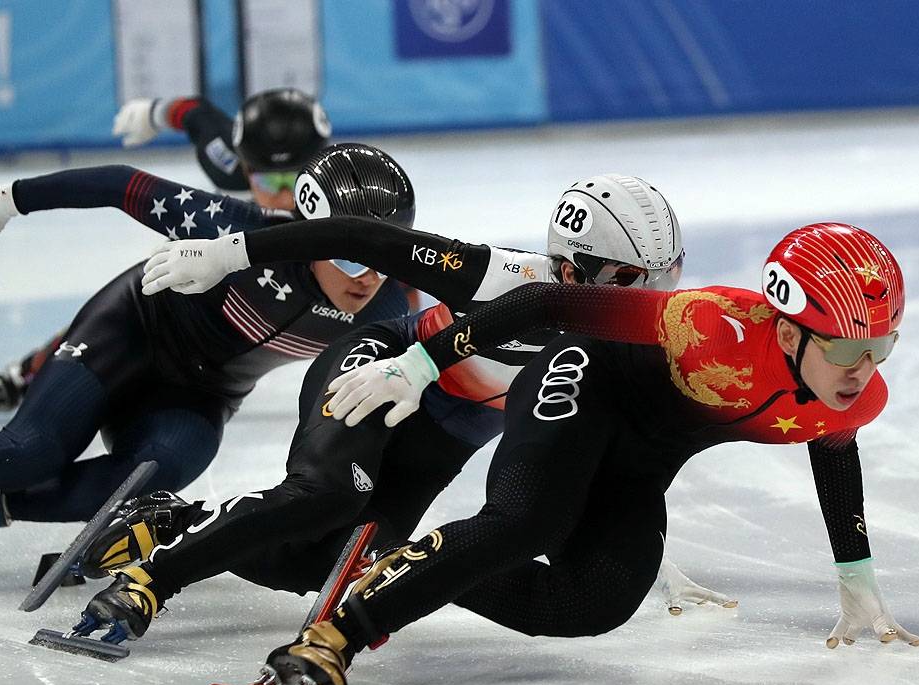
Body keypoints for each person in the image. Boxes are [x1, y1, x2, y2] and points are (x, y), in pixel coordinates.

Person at [253, 222, 919, 685]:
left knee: (592, 602)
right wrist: (423, 361)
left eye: (882, 347)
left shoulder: (855, 396)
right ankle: (340, 634)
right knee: (527, 522)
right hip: (583, 379)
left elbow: (835, 451)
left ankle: (390, 555)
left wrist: (855, 574)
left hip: (637, 461)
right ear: (784, 328)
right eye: (842, 348)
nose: (862, 369)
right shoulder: (710, 323)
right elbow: (547, 300)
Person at [64, 175, 732, 646]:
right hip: (380, 371)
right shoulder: (506, 279)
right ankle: (151, 582)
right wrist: (229, 251)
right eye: (626, 281)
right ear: (568, 269)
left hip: (442, 436)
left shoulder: (649, 334)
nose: (651, 297)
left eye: (667, 273)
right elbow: (367, 236)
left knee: (327, 563)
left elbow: (612, 454)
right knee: (323, 495)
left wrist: (642, 547)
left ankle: (175, 520)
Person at [0, 143, 412, 591]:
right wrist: (13, 198)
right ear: (311, 232)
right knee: (26, 452)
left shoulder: (388, 303)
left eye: (380, 256)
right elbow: (121, 184)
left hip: (201, 391)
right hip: (129, 335)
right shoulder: (242, 231)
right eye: (346, 251)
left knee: (159, 473)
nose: (366, 276)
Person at [0, 87, 333, 418]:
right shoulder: (227, 164)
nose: (284, 194)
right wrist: (152, 113)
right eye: (268, 179)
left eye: (296, 178)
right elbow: (195, 114)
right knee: (151, 284)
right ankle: (28, 372)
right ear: (246, 167)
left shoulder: (345, 192)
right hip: (238, 242)